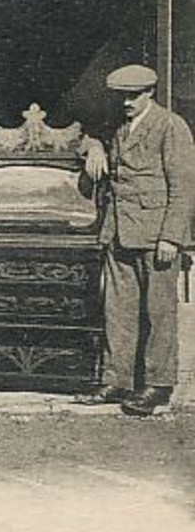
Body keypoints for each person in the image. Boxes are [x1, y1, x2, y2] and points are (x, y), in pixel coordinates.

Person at [77, 64, 191, 416]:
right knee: (119, 310)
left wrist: (171, 237)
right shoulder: (120, 128)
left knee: (159, 313)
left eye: (133, 95)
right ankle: (117, 380)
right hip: (119, 233)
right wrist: (94, 148)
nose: (126, 102)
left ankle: (157, 385)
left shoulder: (170, 126)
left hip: (156, 236)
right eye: (121, 96)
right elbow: (85, 136)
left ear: (149, 94)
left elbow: (184, 186)